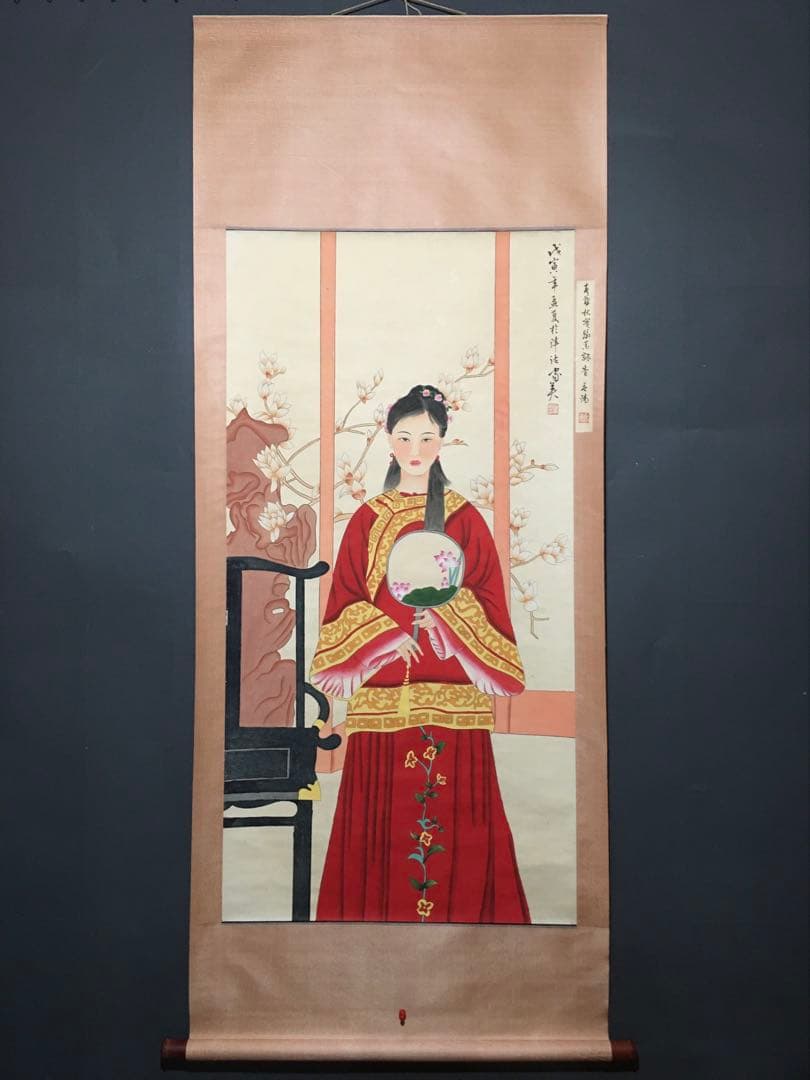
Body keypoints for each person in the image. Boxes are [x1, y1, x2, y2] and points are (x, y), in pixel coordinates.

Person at [310, 384, 530, 923]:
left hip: (451, 690)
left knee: (457, 830)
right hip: (385, 688)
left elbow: (489, 602)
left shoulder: (465, 518)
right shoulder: (368, 518)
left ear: (442, 442)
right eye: (405, 437)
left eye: (427, 438)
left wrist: (448, 620)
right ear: (389, 439)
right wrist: (387, 635)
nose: (415, 449)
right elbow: (345, 601)